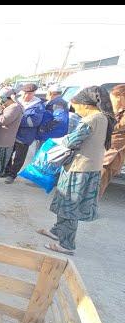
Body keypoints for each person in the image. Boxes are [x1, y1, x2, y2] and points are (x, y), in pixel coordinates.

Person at [37, 86, 115, 255]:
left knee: (70, 206)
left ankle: (67, 245)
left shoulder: (91, 119)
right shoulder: (104, 118)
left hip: (80, 169)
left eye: (76, 106)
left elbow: (72, 142)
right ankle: (57, 231)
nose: (75, 110)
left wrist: (58, 140)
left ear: (86, 105)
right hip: (89, 169)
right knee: (66, 204)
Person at [3, 83, 46, 183]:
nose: (26, 96)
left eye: (30, 94)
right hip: (12, 133)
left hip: (25, 136)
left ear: (34, 93)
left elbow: (34, 121)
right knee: (7, 153)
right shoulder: (17, 100)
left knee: (19, 157)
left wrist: (16, 120)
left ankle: (12, 175)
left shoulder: (38, 105)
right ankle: (7, 170)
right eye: (25, 93)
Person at [99, 84, 125, 197]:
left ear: (121, 97)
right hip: (106, 151)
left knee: (100, 181)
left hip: (113, 154)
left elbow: (117, 127)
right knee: (96, 181)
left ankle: (89, 209)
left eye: (113, 98)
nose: (112, 101)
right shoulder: (118, 111)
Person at [34, 84, 69, 150]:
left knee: (42, 156)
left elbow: (59, 120)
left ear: (50, 93)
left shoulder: (58, 104)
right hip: (50, 136)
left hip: (50, 137)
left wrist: (43, 128)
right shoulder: (56, 102)